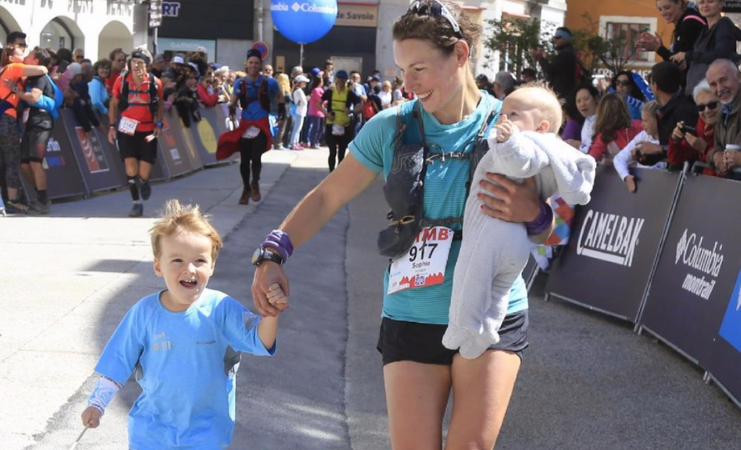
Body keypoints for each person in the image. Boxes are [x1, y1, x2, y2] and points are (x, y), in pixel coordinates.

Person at [250, 2, 554, 449]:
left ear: (461, 55)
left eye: (420, 68)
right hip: (413, 313)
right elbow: (327, 196)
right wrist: (273, 253)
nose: (407, 83)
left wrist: (535, 212)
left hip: (493, 312)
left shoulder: (511, 127)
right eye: (402, 69)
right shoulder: (390, 128)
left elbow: (555, 230)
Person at [81, 199, 281, 450]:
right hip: (151, 432)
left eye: (199, 260)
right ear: (157, 265)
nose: (189, 269)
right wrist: (97, 404)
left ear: (212, 266)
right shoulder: (144, 313)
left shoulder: (221, 308)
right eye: (177, 260)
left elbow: (260, 341)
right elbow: (118, 361)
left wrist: (271, 313)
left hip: (206, 433)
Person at [447, 85, 595, 359]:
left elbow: (520, 164)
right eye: (502, 113)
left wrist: (508, 142)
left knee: (471, 278)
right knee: (498, 289)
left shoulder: (527, 143)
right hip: (515, 243)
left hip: (495, 235)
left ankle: (463, 325)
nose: (503, 120)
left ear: (541, 126)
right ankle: (487, 328)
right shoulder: (550, 147)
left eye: (513, 114)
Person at [0, 45, 49, 213]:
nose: (25, 55)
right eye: (21, 53)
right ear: (12, 57)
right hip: (7, 118)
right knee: (12, 160)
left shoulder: (4, 70)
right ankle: (13, 200)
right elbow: (42, 68)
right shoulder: (15, 67)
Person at [217, 48, 281, 204]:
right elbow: (233, 100)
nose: (253, 66)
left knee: (255, 156)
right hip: (246, 124)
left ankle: (255, 183)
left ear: (260, 65)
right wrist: (231, 109)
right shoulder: (240, 82)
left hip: (261, 123)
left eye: (256, 63)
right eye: (251, 62)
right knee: (244, 160)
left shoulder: (269, 82)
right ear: (246, 64)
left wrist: (280, 113)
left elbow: (279, 97)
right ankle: (246, 187)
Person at [107, 47, 164, 218]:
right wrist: (111, 126)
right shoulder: (122, 81)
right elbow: (113, 104)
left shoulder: (155, 83)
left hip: (147, 130)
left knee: (144, 172)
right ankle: (136, 203)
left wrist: (159, 124)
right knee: (130, 166)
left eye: (140, 63)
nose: (136, 66)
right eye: (133, 62)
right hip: (127, 129)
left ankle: (145, 182)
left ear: (147, 65)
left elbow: (160, 105)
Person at [17, 47, 57, 214]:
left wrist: (15, 91)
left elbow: (33, 97)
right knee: (24, 164)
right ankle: (42, 196)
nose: (26, 57)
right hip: (30, 122)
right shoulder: (29, 77)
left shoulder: (40, 77)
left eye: (29, 55)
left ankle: (42, 200)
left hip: (42, 121)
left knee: (35, 162)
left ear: (36, 61)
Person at [671, 0, 741, 96]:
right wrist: (689, 61)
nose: (705, 5)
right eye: (702, 2)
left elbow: (721, 54)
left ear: (720, 4)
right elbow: (705, 55)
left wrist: (688, 55)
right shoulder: (705, 28)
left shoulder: (723, 25)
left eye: (710, 1)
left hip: (713, 93)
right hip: (701, 92)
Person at [638, 62, 699, 166]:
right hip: (674, 175)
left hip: (688, 178)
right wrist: (644, 156)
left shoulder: (684, 110)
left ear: (655, 86)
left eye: (650, 83)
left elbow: (690, 150)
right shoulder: (666, 111)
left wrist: (659, 149)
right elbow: (668, 153)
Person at [637, 0, 706, 88]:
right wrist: (660, 47)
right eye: (660, 9)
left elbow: (678, 64)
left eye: (667, 8)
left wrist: (659, 49)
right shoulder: (684, 23)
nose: (663, 13)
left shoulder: (690, 24)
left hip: (697, 86)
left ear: (679, 3)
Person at [668, 80, 720, 176]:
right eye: (701, 107)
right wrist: (675, 141)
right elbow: (675, 159)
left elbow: (727, 166)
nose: (707, 111)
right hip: (708, 184)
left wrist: (705, 149)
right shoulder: (701, 126)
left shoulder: (731, 125)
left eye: (712, 105)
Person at [614, 101, 667, 192]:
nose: (642, 125)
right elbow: (619, 158)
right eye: (641, 120)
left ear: (657, 119)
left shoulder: (670, 137)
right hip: (643, 187)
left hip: (663, 186)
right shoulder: (643, 136)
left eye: (645, 121)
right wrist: (626, 176)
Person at [319, 70, 361, 171]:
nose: (341, 80)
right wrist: (327, 114)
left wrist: (351, 111)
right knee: (332, 151)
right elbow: (318, 104)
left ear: (346, 80)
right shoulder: (330, 91)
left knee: (341, 153)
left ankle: (338, 175)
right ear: (336, 79)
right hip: (331, 124)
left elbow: (360, 106)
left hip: (344, 126)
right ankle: (331, 173)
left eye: (343, 78)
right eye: (339, 78)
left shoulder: (350, 93)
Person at [705, 59, 741, 179]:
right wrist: (716, 156)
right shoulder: (723, 110)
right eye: (713, 84)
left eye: (723, 80)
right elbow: (718, 146)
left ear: (739, 76)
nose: (719, 89)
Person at [589, 93, 644, 164]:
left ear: (602, 113)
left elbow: (591, 158)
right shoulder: (641, 125)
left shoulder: (604, 136)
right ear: (624, 109)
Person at [532, 27, 580, 99]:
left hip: (563, 94)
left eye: (558, 38)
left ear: (565, 39)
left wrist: (540, 58)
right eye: (555, 38)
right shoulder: (568, 52)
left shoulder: (566, 54)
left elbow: (550, 69)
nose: (555, 40)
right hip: (564, 93)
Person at [572, 84, 600, 153]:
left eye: (586, 99)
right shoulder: (587, 120)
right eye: (578, 101)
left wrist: (578, 145)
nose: (582, 104)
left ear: (596, 99)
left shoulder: (603, 121)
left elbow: (598, 151)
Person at [289, 75, 310, 150]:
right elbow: (302, 102)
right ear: (300, 83)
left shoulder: (299, 90)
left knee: (298, 129)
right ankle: (293, 143)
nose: (305, 84)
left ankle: (296, 143)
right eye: (303, 82)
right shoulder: (298, 91)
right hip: (299, 112)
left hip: (301, 111)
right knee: (296, 129)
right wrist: (306, 99)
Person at [304, 76, 325, 149]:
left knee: (321, 128)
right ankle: (312, 142)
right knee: (316, 127)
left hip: (321, 112)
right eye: (321, 81)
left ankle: (317, 141)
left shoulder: (321, 89)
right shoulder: (315, 90)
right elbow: (321, 99)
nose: (322, 82)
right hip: (315, 111)